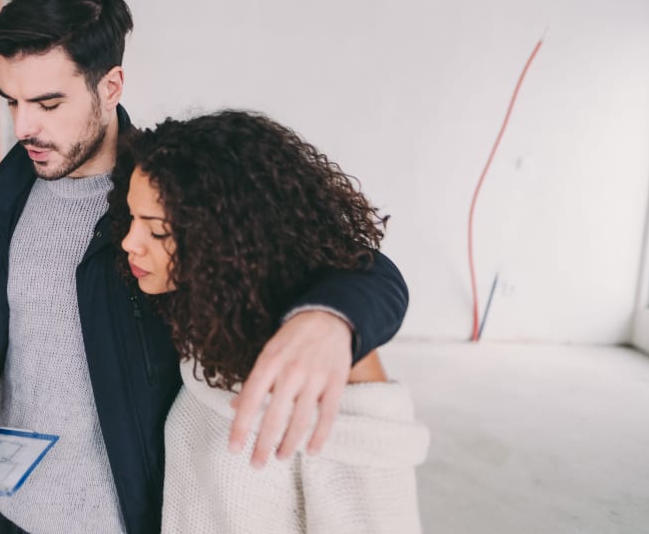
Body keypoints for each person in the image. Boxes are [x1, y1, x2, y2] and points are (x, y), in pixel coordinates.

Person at [0, 0, 409, 534]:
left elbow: (361, 268)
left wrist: (329, 319)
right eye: (12, 102)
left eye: (48, 103)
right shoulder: (14, 191)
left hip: (116, 517)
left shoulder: (166, 192)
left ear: (111, 85)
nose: (23, 126)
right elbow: (5, 315)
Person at [114, 110, 429, 533]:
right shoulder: (208, 326)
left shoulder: (324, 364)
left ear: (223, 236)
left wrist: (334, 319)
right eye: (133, 219)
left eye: (157, 231)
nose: (129, 243)